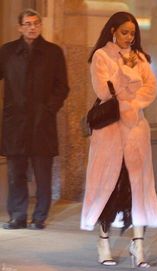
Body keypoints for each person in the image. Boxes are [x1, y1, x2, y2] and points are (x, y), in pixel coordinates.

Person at [80, 11, 157, 268]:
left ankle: (138, 246)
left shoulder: (141, 58)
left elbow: (151, 87)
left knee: (139, 190)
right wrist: (127, 74)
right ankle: (103, 241)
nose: (129, 37)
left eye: (133, 33)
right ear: (113, 30)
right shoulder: (101, 56)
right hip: (110, 134)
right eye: (125, 32)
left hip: (136, 131)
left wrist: (133, 101)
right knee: (108, 188)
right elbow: (104, 90)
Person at [0, 9, 69, 230]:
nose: (32, 27)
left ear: (40, 26)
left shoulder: (53, 52)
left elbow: (62, 87)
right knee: (15, 174)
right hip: (15, 124)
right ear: (20, 27)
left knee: (43, 175)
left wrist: (49, 109)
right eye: (28, 24)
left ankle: (39, 217)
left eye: (36, 23)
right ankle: (17, 216)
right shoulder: (8, 52)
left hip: (42, 123)